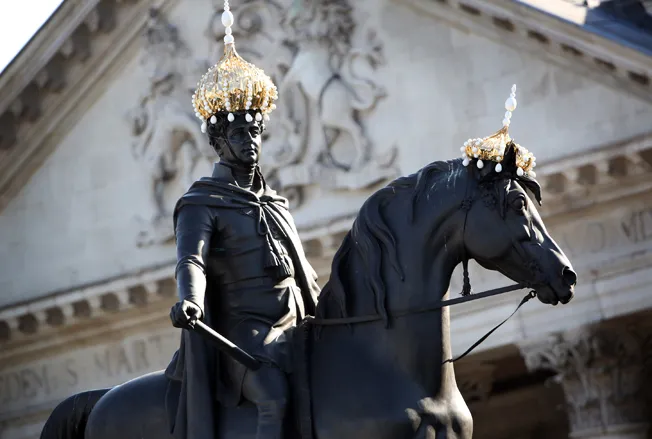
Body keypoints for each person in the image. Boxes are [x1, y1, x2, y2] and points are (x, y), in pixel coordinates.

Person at [164, 3, 321, 439]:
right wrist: (190, 300)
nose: (248, 141)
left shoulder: (276, 202)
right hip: (244, 335)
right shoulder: (201, 202)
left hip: (295, 325)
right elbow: (190, 261)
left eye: (253, 132)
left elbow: (304, 274)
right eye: (237, 134)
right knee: (273, 396)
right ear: (217, 141)